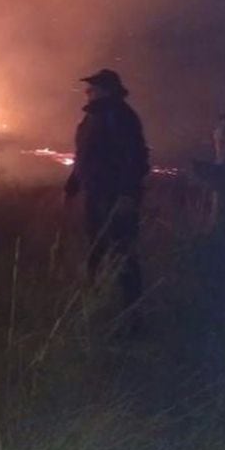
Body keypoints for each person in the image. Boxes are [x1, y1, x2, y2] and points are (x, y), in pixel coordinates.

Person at [64, 68, 149, 313]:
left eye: (93, 88)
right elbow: (85, 157)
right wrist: (72, 186)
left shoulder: (121, 117)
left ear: (107, 91)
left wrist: (127, 195)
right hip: (95, 196)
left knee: (122, 256)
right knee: (95, 252)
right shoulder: (92, 119)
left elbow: (136, 159)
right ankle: (97, 309)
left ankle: (131, 317)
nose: (87, 92)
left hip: (114, 197)